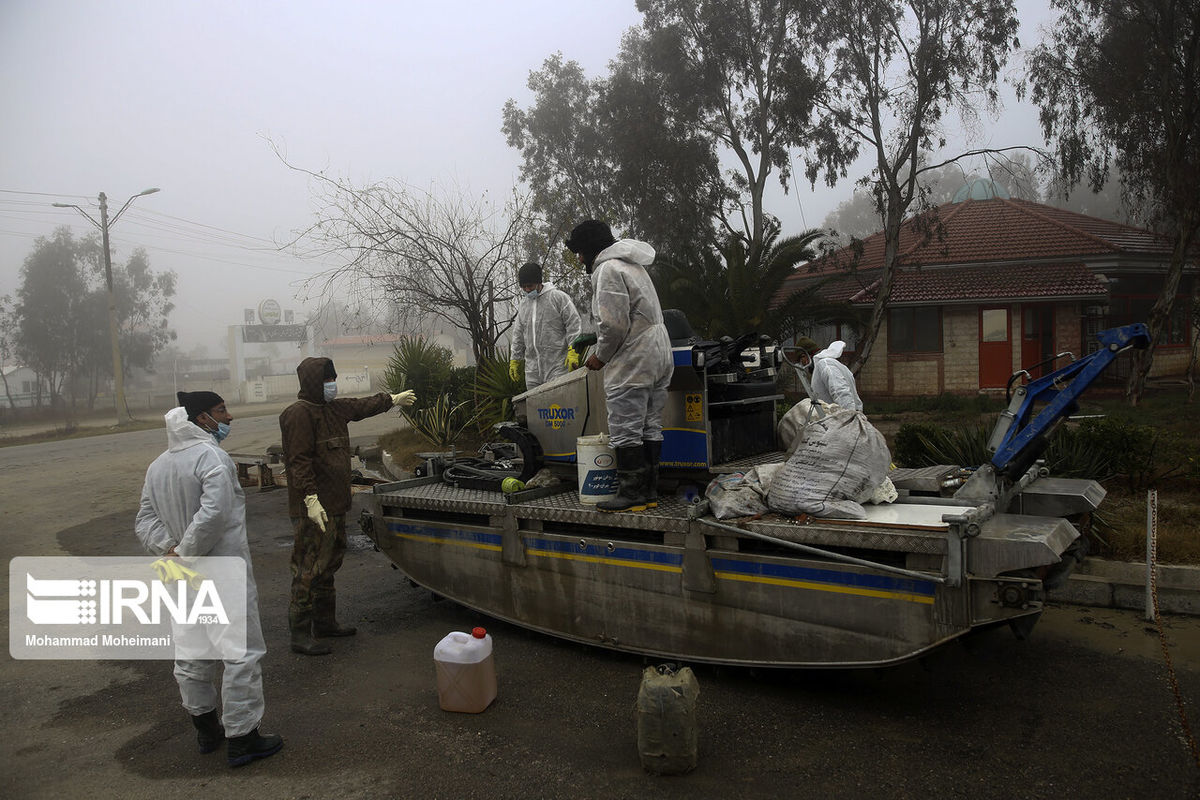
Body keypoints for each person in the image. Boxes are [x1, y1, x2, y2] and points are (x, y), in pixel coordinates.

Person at [135, 390, 283, 767]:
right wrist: (185, 552)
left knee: (192, 652)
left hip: (178, 576)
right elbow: (215, 514)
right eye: (222, 410)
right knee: (240, 654)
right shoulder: (213, 458)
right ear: (201, 418)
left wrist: (169, 551)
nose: (229, 417)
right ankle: (242, 738)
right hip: (220, 574)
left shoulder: (158, 466)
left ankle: (206, 730)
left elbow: (145, 520)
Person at [280, 357, 415, 655]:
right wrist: (309, 499)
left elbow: (360, 406)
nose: (332, 385)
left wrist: (391, 399)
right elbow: (298, 462)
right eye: (328, 380)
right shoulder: (298, 415)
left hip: (335, 505)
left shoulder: (334, 409)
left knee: (329, 563)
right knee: (308, 568)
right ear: (315, 382)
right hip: (313, 508)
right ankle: (300, 633)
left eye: (334, 379)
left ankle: (325, 623)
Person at [564, 220, 672, 513]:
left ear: (588, 247)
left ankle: (631, 494)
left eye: (580, 252)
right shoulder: (632, 265)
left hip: (635, 354)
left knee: (626, 426)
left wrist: (600, 356)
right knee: (650, 424)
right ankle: (649, 493)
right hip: (659, 350)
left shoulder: (608, 269)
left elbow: (613, 324)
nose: (580, 259)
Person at [509, 261, 582, 391]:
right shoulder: (524, 305)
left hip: (558, 366)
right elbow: (518, 334)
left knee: (559, 407)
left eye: (529, 286)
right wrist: (515, 359)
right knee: (536, 408)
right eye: (523, 287)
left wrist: (573, 349)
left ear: (538, 282)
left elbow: (573, 324)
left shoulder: (558, 298)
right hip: (532, 371)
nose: (527, 290)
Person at [810, 340, 863, 411]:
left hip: (842, 417)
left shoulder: (825, 364)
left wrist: (848, 415)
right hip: (849, 414)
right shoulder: (834, 365)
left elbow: (839, 391)